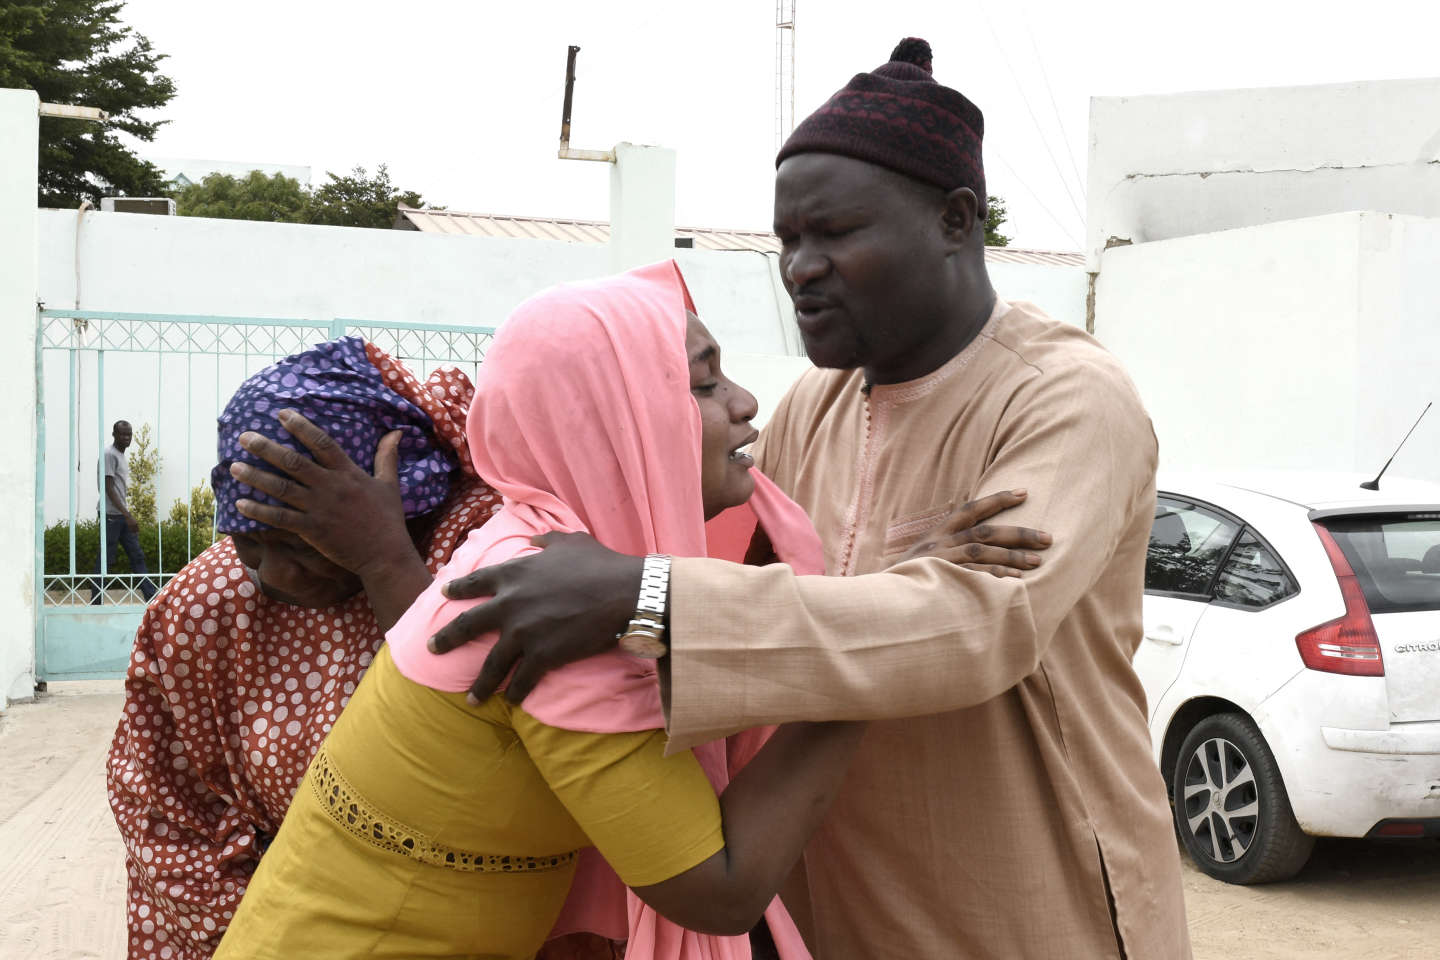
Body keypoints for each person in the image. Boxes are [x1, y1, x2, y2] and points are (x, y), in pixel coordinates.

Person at [425, 43, 1192, 960]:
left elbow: (980, 626)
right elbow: (732, 583)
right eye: (789, 240)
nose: (800, 268)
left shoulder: (1062, 399)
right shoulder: (814, 407)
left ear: (954, 221)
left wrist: (649, 595)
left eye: (835, 233)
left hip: (1025, 901)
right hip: (826, 906)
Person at [105, 337, 506, 960]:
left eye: (301, 544)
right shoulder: (205, 607)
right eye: (250, 542)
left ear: (406, 508)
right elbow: (159, 807)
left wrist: (384, 563)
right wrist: (268, 935)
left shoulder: (476, 556)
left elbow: (502, 741)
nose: (273, 576)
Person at [91, 419, 157, 603]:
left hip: (121, 515)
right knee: (106, 559)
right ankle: (96, 602)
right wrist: (128, 515)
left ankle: (151, 598)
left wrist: (126, 515)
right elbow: (108, 487)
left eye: (129, 434)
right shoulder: (108, 454)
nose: (126, 437)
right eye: (122, 434)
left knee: (137, 555)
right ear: (114, 434)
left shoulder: (120, 455)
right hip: (111, 516)